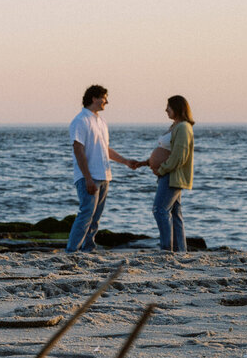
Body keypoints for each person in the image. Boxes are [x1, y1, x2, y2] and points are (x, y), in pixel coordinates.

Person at [66, 85, 140, 253]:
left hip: (104, 175)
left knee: (95, 218)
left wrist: (125, 161)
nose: (107, 101)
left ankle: (88, 249)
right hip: (89, 176)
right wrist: (88, 178)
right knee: (86, 214)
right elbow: (78, 149)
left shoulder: (101, 121)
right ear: (94, 98)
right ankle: (72, 251)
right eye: (104, 97)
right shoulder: (80, 120)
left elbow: (105, 149)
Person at [148, 95, 195, 252]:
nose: (166, 109)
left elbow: (179, 157)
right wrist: (147, 163)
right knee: (175, 213)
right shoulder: (175, 126)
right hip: (168, 174)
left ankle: (167, 249)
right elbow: (166, 151)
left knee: (159, 210)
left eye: (169, 106)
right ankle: (180, 250)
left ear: (178, 108)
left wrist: (161, 169)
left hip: (172, 175)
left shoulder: (183, 127)